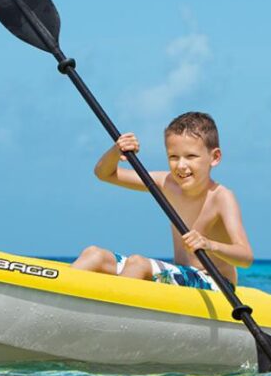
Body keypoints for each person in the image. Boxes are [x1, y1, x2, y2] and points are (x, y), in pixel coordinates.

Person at [71, 111, 253, 291]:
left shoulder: (221, 197)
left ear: (214, 157)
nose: (181, 165)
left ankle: (111, 316)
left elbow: (245, 257)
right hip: (181, 274)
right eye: (173, 157)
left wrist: (209, 244)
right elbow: (104, 174)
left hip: (215, 282)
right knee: (94, 255)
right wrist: (116, 151)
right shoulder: (166, 183)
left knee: (138, 264)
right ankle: (61, 302)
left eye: (191, 156)